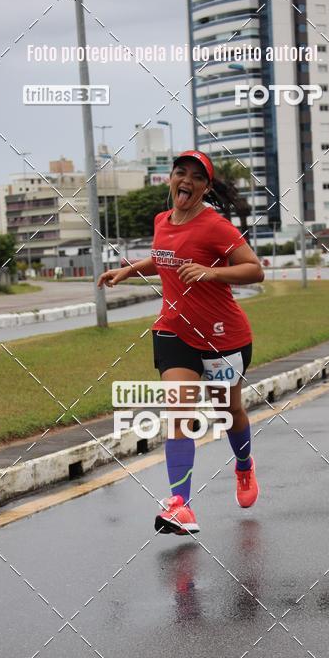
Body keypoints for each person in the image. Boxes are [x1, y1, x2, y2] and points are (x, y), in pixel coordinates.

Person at [98, 149, 263, 535]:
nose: (186, 180)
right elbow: (164, 258)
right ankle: (181, 505)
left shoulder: (216, 227)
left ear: (206, 187)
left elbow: (255, 270)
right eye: (180, 172)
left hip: (222, 335)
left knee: (228, 411)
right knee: (178, 412)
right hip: (174, 331)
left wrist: (210, 273)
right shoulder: (162, 220)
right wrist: (128, 271)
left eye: (196, 176)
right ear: (170, 179)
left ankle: (244, 465)